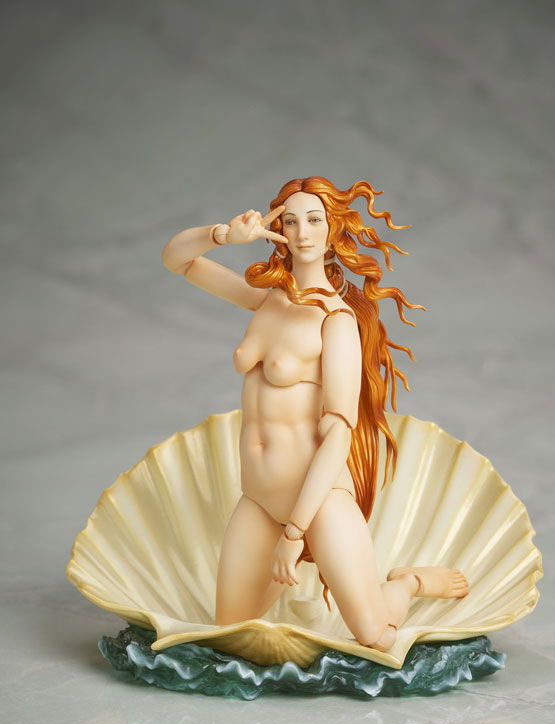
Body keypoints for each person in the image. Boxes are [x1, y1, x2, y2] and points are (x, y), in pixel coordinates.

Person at [161, 176, 468, 653]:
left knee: (376, 639)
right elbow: (177, 260)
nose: (302, 232)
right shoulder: (267, 298)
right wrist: (224, 234)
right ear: (278, 229)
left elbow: (338, 435)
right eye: (290, 221)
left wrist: (295, 533)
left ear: (333, 229)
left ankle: (407, 583)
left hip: (319, 502)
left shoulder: (337, 321)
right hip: (259, 498)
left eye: (314, 219)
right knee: (230, 636)